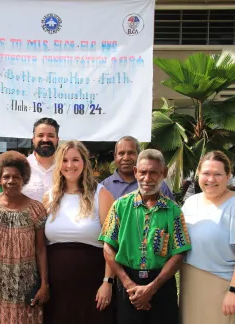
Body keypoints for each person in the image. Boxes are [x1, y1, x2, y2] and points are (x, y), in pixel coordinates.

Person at [99, 149, 192, 324]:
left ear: (163, 174)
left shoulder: (173, 211)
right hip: (127, 285)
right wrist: (129, 284)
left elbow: (179, 253)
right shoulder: (120, 206)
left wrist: (152, 288)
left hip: (161, 285)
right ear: (135, 172)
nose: (147, 178)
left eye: (153, 173)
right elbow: (108, 247)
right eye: (142, 172)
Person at [179, 151, 235, 324]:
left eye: (217, 174)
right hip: (191, 284)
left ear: (228, 176)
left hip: (224, 286)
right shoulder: (191, 203)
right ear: (198, 173)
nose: (211, 179)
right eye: (206, 173)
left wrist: (234, 291)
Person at [42, 141, 115, 324]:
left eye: (75, 159)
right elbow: (41, 244)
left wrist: (108, 282)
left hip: (93, 283)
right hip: (57, 287)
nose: (69, 165)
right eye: (64, 160)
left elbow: (112, 242)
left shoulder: (101, 194)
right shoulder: (49, 197)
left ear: (84, 162)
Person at [0, 151, 49, 324]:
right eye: (6, 177)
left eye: (16, 177)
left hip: (25, 288)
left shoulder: (36, 209)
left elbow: (41, 249)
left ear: (24, 179)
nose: (11, 181)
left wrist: (44, 284)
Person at [101, 136, 174, 200]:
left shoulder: (157, 185)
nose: (126, 158)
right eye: (121, 153)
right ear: (115, 156)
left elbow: (172, 213)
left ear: (139, 155)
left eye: (131, 153)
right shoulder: (104, 187)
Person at [22, 117, 60, 202]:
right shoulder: (21, 167)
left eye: (51, 135)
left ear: (57, 140)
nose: (45, 139)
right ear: (33, 140)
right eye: (40, 135)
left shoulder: (66, 168)